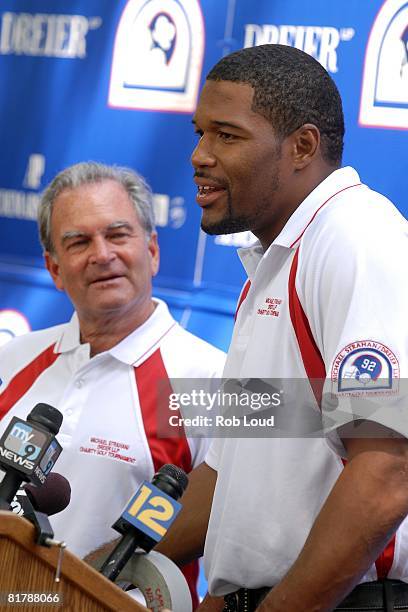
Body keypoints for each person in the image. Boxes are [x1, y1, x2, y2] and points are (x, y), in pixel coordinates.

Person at [155, 44, 408, 611]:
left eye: (227, 135)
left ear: (302, 147)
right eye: (200, 133)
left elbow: (388, 468)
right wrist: (96, 570)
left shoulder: (355, 238)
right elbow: (227, 473)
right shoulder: (273, 264)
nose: (199, 154)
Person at [0, 162, 225, 608]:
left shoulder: (210, 378)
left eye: (118, 235)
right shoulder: (12, 360)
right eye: (79, 241)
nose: (102, 254)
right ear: (54, 268)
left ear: (153, 250)